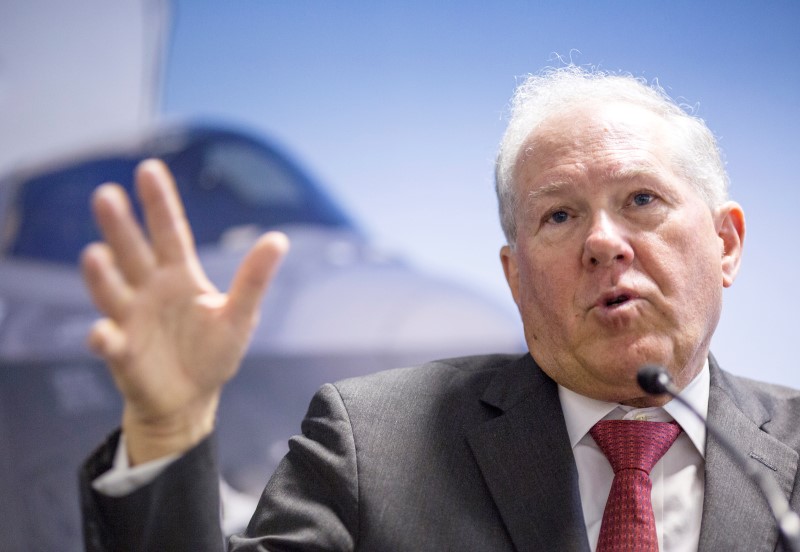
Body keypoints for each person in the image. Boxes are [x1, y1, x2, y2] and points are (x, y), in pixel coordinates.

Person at [79, 66, 800, 551]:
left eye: (641, 199)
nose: (604, 243)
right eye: (559, 216)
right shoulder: (374, 448)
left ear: (726, 242)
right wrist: (167, 427)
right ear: (515, 279)